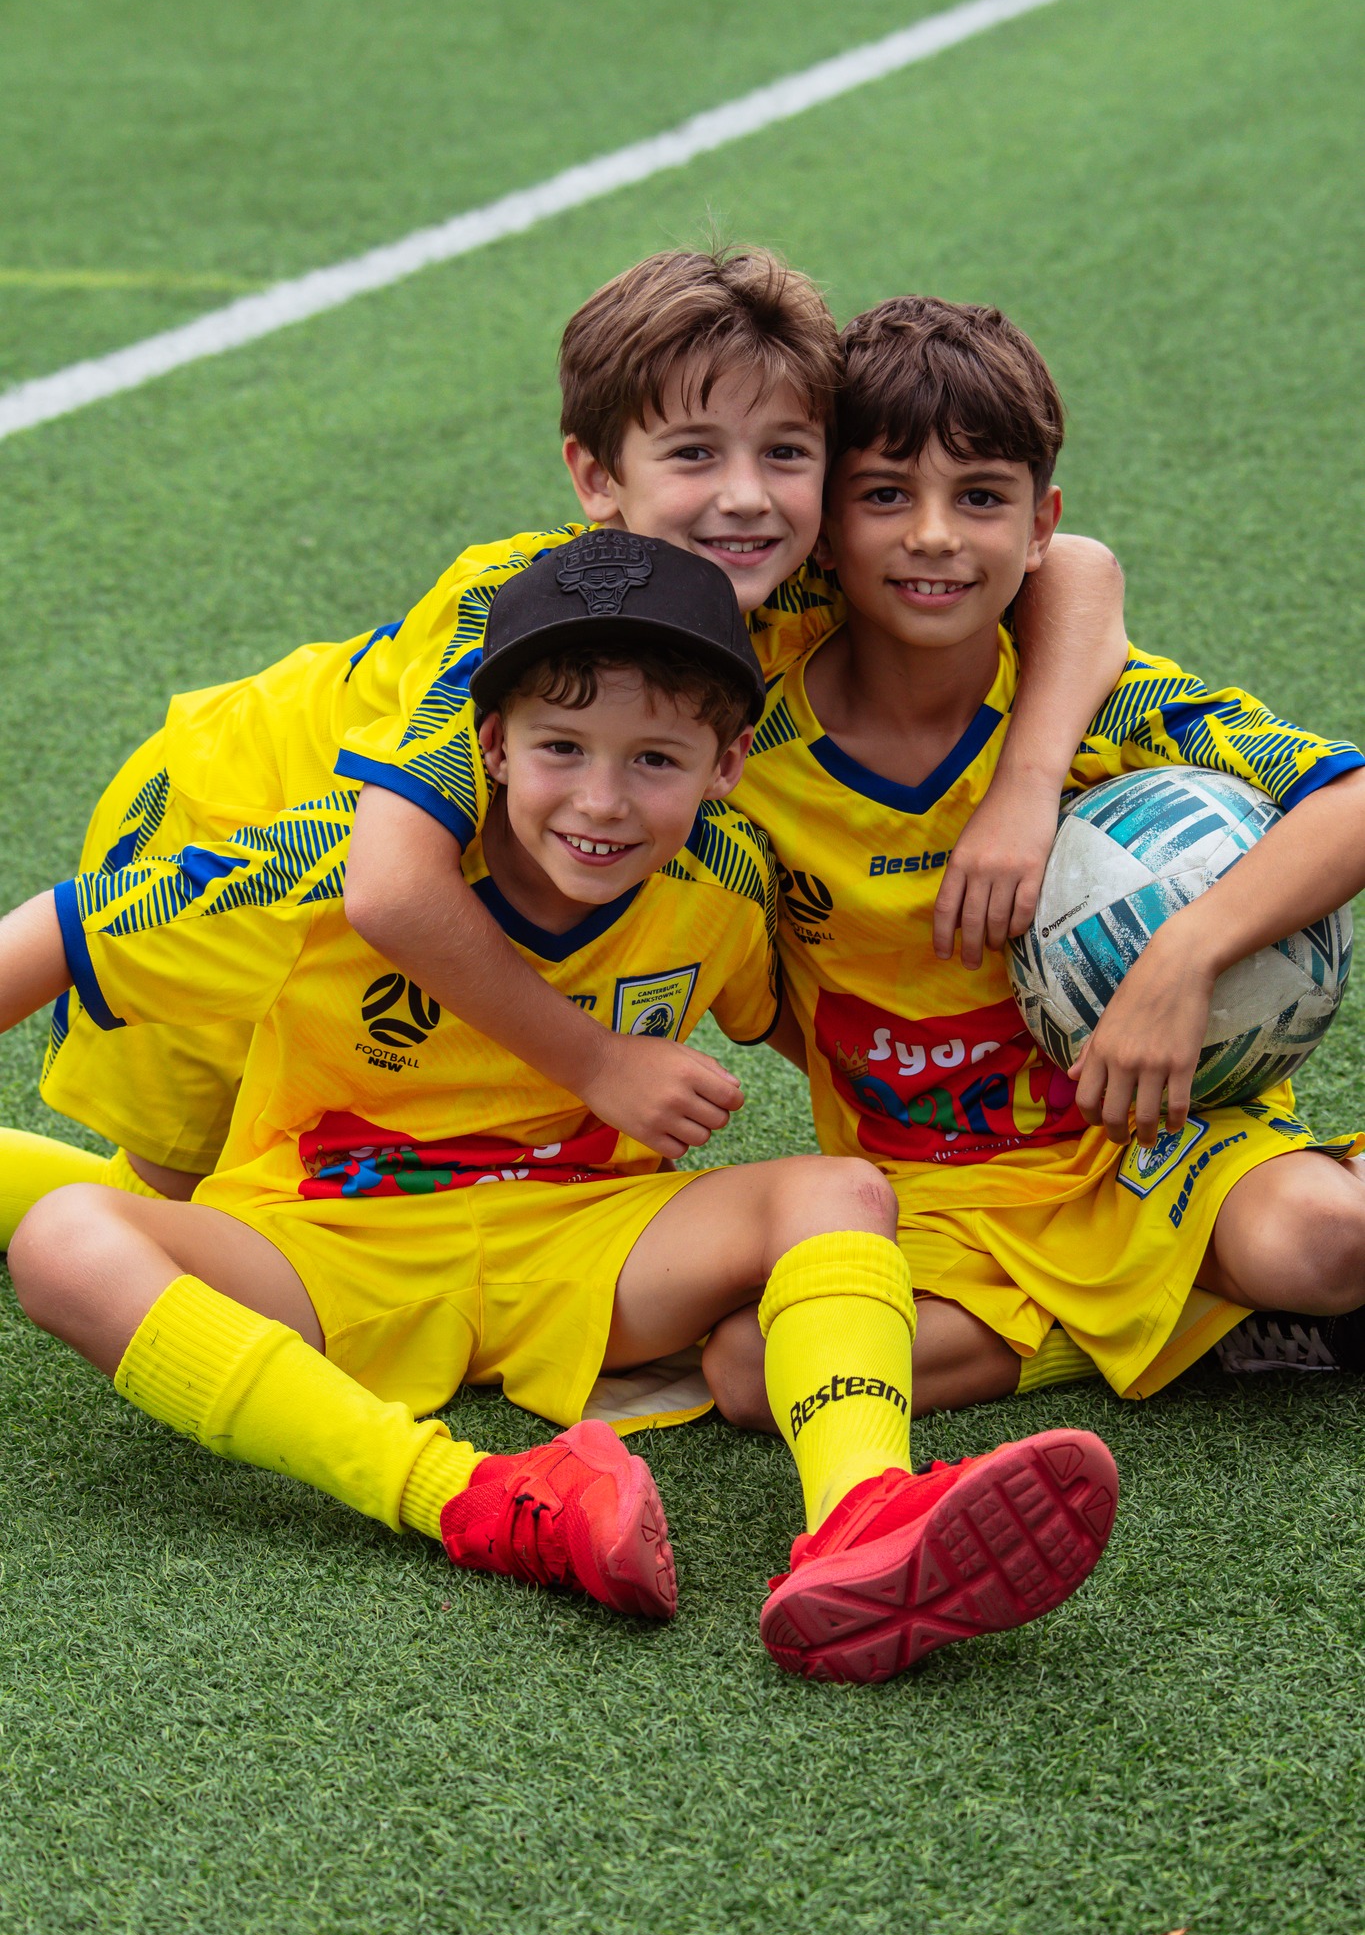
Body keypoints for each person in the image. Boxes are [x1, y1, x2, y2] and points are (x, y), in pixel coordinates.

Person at [0, 540, 1118, 1684]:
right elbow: (51, 932)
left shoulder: (729, 882)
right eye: (562, 748)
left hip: (586, 1245)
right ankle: (474, 1497)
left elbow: (817, 1028)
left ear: (729, 763)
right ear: (491, 743)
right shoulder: (318, 865)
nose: (601, 799)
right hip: (326, 1244)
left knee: (837, 1190)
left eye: (655, 759)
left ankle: (865, 1508)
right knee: (67, 1240)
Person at [5, 246, 1127, 1228]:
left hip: (374, 888)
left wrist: (1025, 788)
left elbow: (1075, 568)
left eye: (785, 454)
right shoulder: (527, 608)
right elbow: (389, 887)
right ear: (596, 477)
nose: (746, 497)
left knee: (284, 1209)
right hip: (228, 822)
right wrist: (599, 1064)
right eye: (695, 454)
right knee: (183, 1204)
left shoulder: (800, 579)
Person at [701, 295, 1365, 1424]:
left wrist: (1179, 961)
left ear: (1039, 520)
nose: (933, 535)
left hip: (1150, 1150)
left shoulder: (1108, 705)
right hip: (927, 1190)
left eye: (980, 497)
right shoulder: (744, 737)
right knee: (755, 1373)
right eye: (883, 495)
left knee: (1326, 1240)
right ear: (826, 522)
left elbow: (1348, 801)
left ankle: (1226, 1284)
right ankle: (1205, 1323)